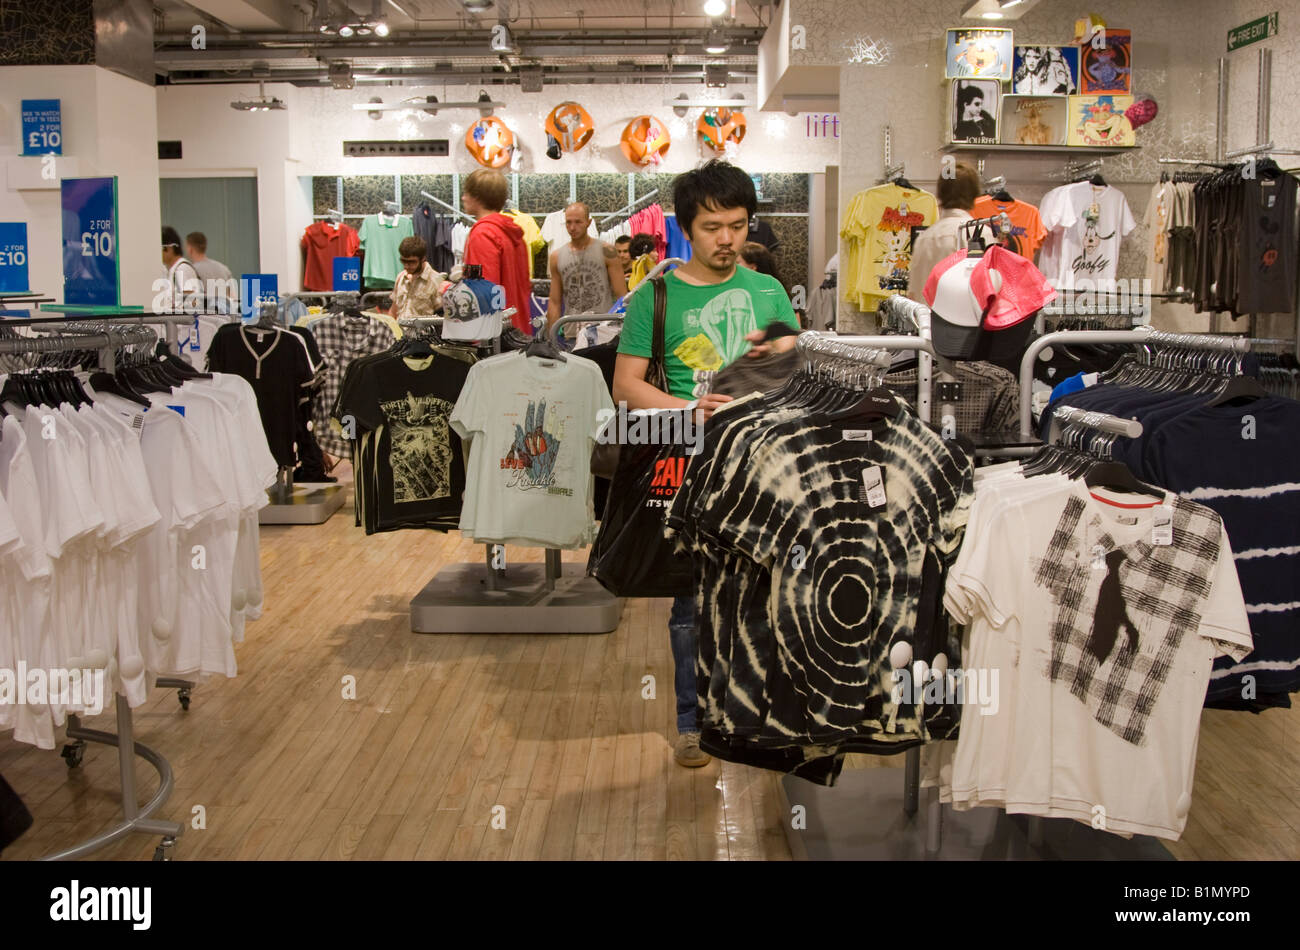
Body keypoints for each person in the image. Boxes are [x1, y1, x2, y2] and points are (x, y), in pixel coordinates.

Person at [613, 159, 798, 768]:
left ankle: (754, 711)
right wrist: (691, 410)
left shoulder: (768, 291)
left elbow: (792, 373)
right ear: (686, 228)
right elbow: (626, 387)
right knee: (691, 598)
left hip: (763, 462)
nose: (727, 240)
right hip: (692, 465)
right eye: (713, 227)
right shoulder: (655, 296)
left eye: (739, 226)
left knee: (765, 590)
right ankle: (691, 721)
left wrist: (772, 370)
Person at [907, 161, 993, 301]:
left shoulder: (923, 239)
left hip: (927, 321)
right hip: (967, 321)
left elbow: (913, 295)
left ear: (940, 194)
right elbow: (991, 289)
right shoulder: (982, 234)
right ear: (974, 194)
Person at [461, 168, 532, 334]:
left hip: (495, 338)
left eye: (466, 193)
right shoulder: (514, 234)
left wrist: (446, 289)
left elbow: (484, 292)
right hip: (517, 330)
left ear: (477, 197)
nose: (463, 198)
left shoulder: (483, 234)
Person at [545, 202, 627, 330]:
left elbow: (621, 296)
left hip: (603, 331)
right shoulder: (556, 257)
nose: (572, 227)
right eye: (568, 222)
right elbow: (554, 302)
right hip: (571, 331)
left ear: (588, 222)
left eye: (578, 222)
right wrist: (551, 338)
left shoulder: (607, 251)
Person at [392, 236, 444, 318]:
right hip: (400, 328)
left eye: (411, 262)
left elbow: (441, 317)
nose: (406, 266)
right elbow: (393, 310)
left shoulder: (435, 281)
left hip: (423, 330)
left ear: (423, 259)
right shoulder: (401, 277)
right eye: (403, 261)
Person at [185, 231, 236, 314]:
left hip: (205, 318)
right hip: (226, 318)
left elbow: (191, 301)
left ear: (190, 249)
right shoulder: (223, 268)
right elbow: (233, 298)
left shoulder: (191, 270)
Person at [161, 226, 202, 313]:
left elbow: (192, 302)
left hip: (186, 324)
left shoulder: (182, 269)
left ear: (169, 249)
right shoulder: (172, 270)